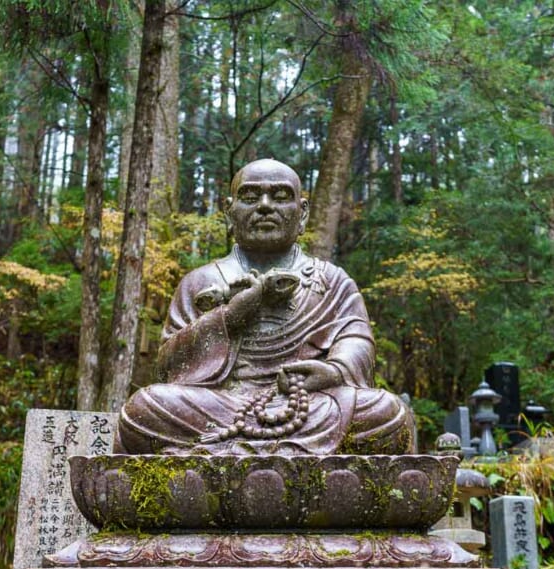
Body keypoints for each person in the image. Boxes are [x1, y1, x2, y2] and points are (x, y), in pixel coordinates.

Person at [118, 158, 415, 454]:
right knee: (144, 408)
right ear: (229, 212)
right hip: (219, 406)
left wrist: (334, 372)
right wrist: (230, 317)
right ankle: (289, 453)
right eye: (250, 196)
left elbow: (356, 340)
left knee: (387, 412)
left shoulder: (331, 280)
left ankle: (233, 452)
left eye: (280, 196)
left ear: (302, 213)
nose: (264, 205)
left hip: (305, 404)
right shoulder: (201, 281)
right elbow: (170, 367)